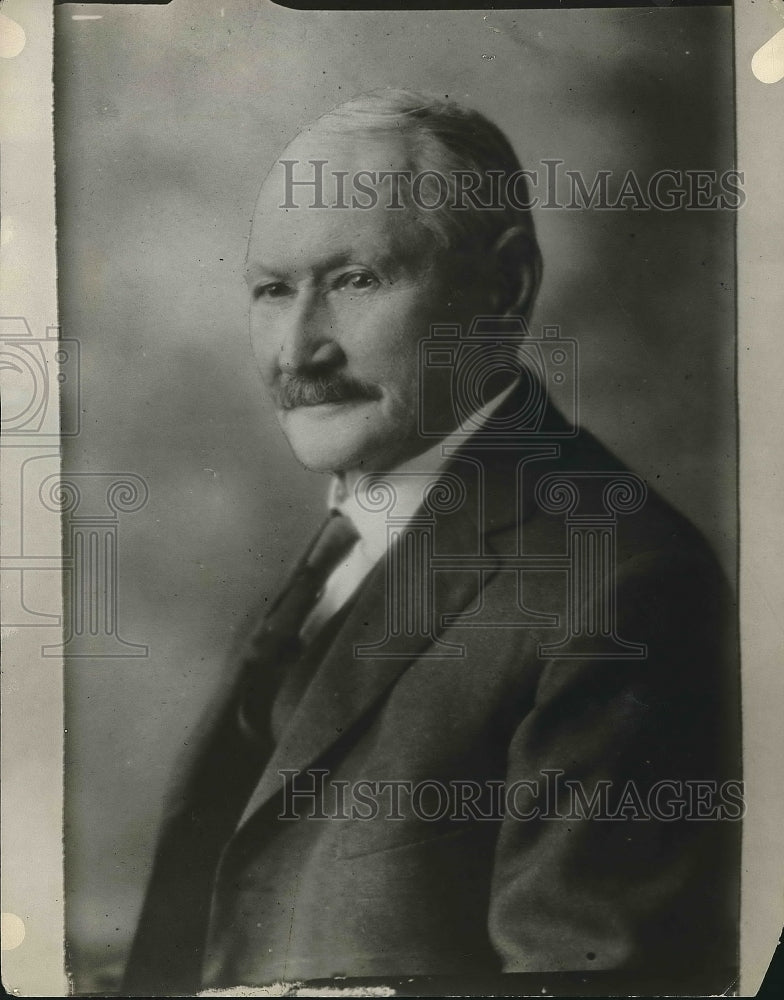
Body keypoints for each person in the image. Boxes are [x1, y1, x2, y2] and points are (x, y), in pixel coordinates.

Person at [123, 90, 740, 995]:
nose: (300, 350)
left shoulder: (622, 584)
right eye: (272, 290)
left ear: (505, 288)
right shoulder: (336, 558)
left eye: (356, 281)